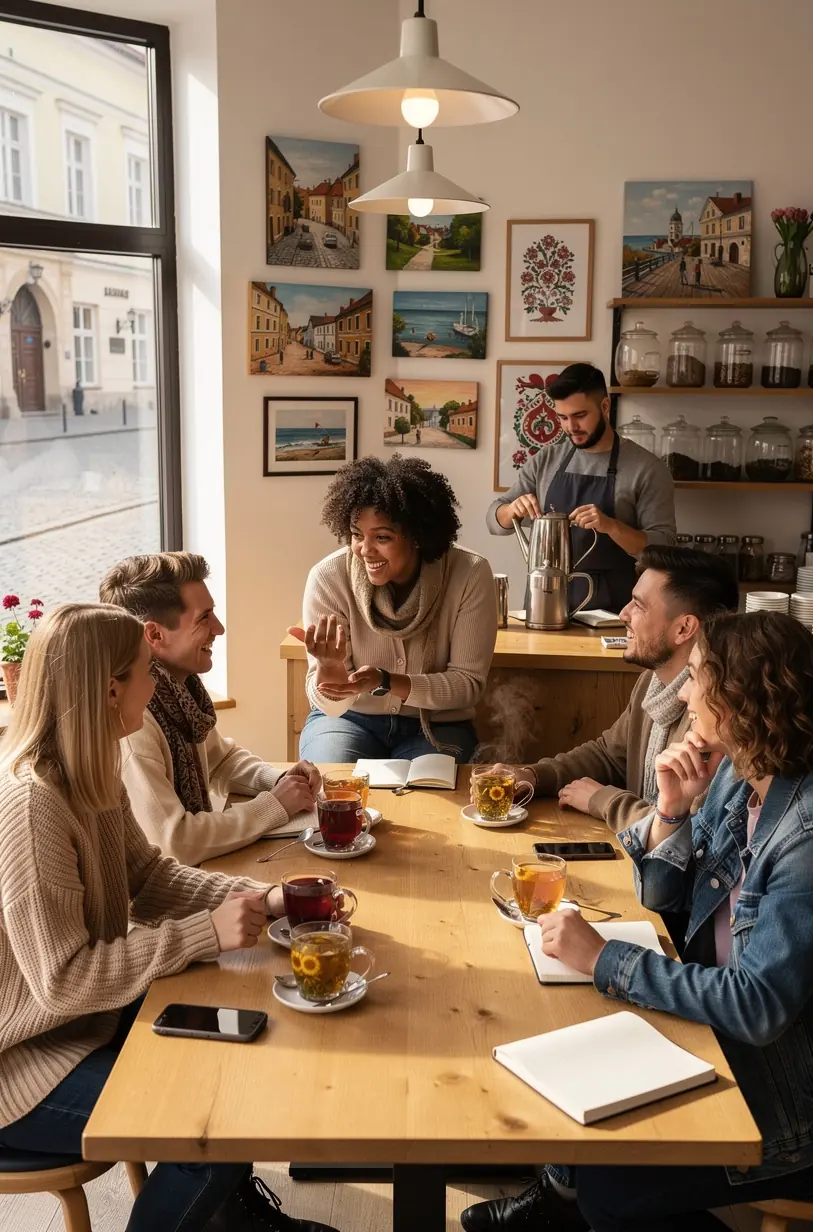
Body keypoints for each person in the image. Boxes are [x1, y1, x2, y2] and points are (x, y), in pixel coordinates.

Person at [462, 611, 813, 1232]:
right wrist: (670, 814)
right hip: (724, 1038)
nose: (682, 692)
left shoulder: (805, 837)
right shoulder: (741, 773)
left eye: (698, 678)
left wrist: (605, 959)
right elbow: (661, 895)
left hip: (790, 1098)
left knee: (612, 1187)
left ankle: (569, 1203)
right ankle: (559, 1197)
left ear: (735, 702)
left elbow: (758, 1007)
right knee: (571, 1063)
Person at [0, 603, 336, 1232]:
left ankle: (227, 1220)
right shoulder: (33, 805)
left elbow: (149, 877)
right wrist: (204, 933)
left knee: (240, 1050)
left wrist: (263, 899)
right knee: (208, 1129)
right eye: (146, 672)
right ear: (109, 691)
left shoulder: (92, 772)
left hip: (86, 1025)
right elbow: (63, 980)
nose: (156, 686)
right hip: (21, 1069)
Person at [472, 547, 738, 831]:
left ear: (684, 628)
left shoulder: (712, 715)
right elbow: (610, 754)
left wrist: (604, 801)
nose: (624, 613)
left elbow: (691, 831)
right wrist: (534, 776)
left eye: (639, 604)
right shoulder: (653, 681)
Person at [100, 553, 320, 867]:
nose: (219, 628)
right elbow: (175, 841)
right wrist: (273, 805)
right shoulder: (135, 722)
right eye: (205, 617)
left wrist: (282, 780)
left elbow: (221, 760)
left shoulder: (178, 690)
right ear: (155, 635)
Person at [290, 454, 495, 763]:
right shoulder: (329, 578)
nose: (365, 549)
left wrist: (386, 682)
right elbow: (330, 707)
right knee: (334, 788)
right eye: (357, 535)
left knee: (428, 802)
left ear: (416, 535)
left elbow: (467, 686)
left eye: (382, 537)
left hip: (438, 725)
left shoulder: (469, 574)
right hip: (347, 721)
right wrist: (330, 672)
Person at [487, 363, 676, 612]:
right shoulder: (546, 459)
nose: (570, 427)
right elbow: (493, 522)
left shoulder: (647, 468)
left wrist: (611, 526)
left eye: (579, 416)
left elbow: (665, 549)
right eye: (563, 418)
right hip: (544, 603)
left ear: (605, 407)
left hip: (616, 610)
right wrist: (511, 509)